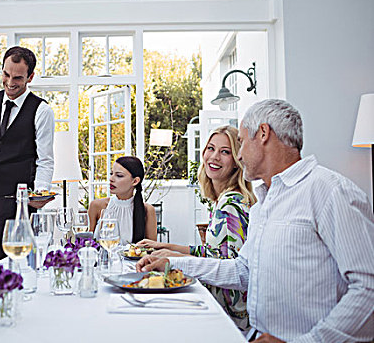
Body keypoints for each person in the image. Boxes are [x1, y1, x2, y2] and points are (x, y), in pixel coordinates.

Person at [137, 99, 374, 343]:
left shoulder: (330, 191)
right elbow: (243, 271)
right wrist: (172, 263)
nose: (239, 154)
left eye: (240, 141)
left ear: (263, 133)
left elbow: (368, 288)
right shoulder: (263, 204)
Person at [137, 125, 256, 332]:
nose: (214, 157)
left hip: (229, 314)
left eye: (225, 152)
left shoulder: (232, 204)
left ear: (237, 162)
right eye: (211, 148)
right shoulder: (222, 200)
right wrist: (165, 246)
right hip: (220, 303)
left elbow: (232, 268)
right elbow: (213, 253)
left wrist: (173, 258)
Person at [0, 46, 55, 267]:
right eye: (6, 75)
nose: (10, 82)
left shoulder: (41, 111)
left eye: (17, 77)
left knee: (13, 266)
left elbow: (44, 160)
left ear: (30, 77)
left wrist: (40, 193)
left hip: (18, 205)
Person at [89, 156, 157, 243]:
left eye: (119, 175)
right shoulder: (97, 206)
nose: (111, 179)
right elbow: (87, 244)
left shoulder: (147, 210)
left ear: (135, 181)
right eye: (111, 173)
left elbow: (151, 249)